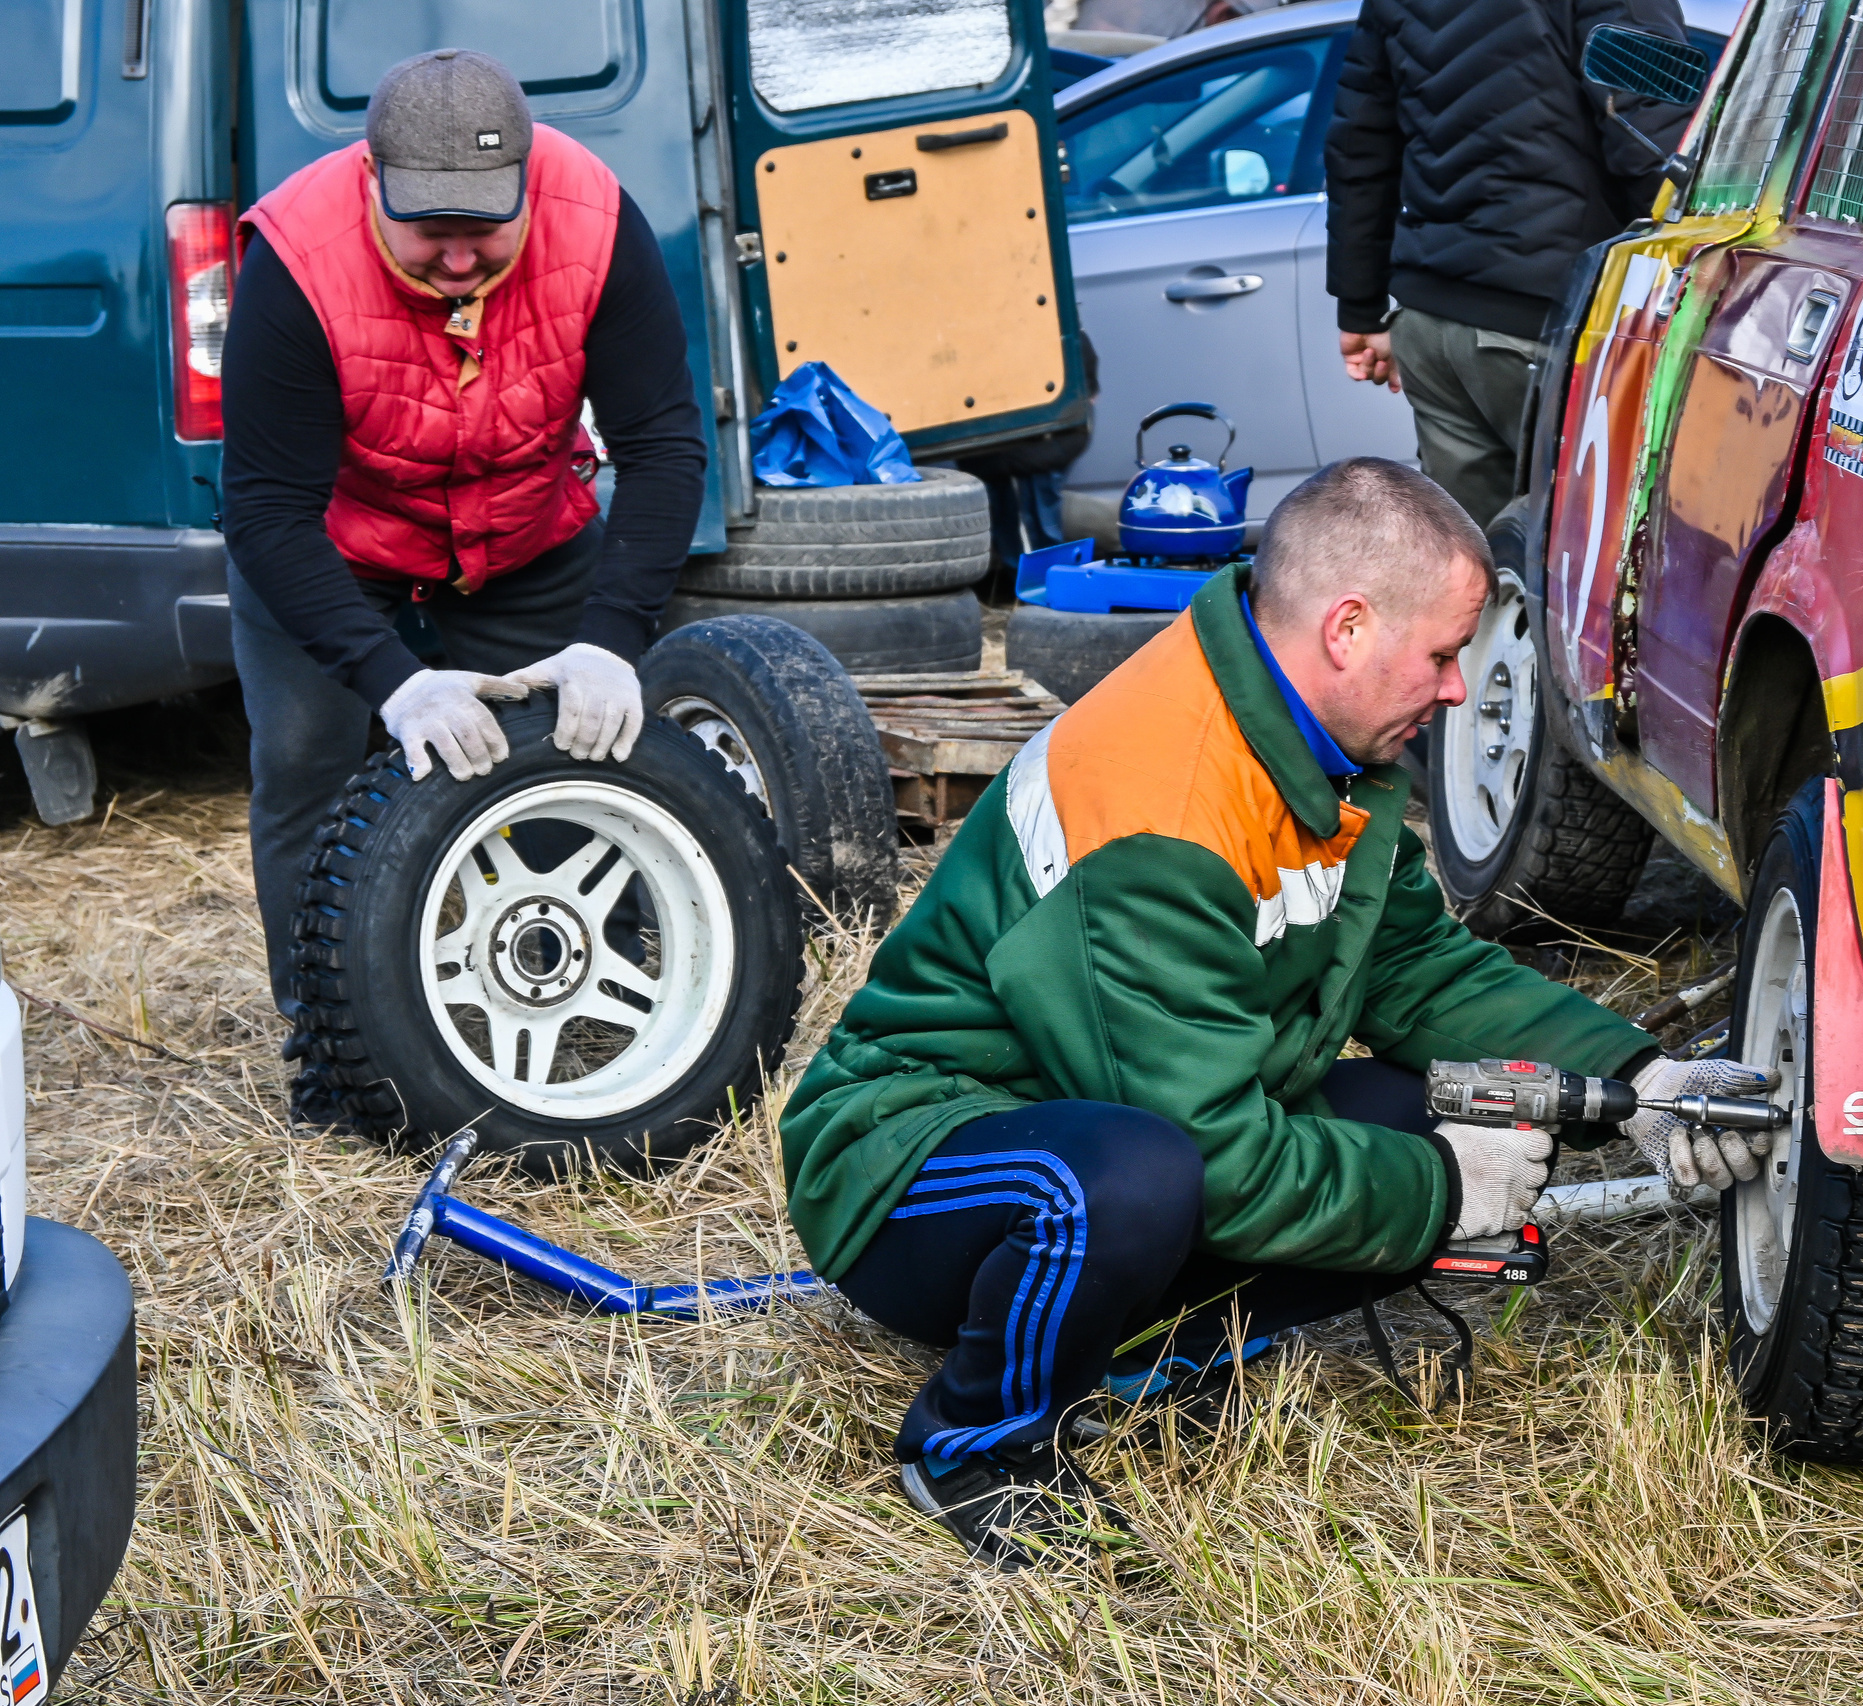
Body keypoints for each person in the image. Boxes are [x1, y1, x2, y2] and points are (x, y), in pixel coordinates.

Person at [779, 457, 1772, 1569]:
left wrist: (1636, 1085)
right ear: (1347, 629)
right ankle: (976, 1446)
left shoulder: (1325, 751)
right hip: (921, 1156)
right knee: (1138, 1179)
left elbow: (1416, 969)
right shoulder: (1163, 804)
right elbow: (1215, 1153)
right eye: (1444, 654)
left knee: (1401, 1123)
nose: (1456, 691)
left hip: (1107, 1103)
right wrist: (1446, 1192)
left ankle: (1132, 1356)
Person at [220, 48, 705, 1052]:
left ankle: (593, 1020)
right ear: (371, 183)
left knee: (584, 753)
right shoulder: (296, 260)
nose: (456, 257)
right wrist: (392, 683)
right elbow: (266, 509)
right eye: (429, 229)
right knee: (309, 772)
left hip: (526, 532)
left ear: (528, 185)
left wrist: (613, 638)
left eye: (482, 228)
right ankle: (327, 1036)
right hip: (336, 548)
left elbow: (661, 446)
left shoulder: (597, 226)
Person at [1324, 0, 1691, 527]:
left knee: (1475, 575)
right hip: (1554, 319)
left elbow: (1360, 147)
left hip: (1432, 324)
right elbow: (1653, 131)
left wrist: (1360, 310)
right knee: (1592, 556)